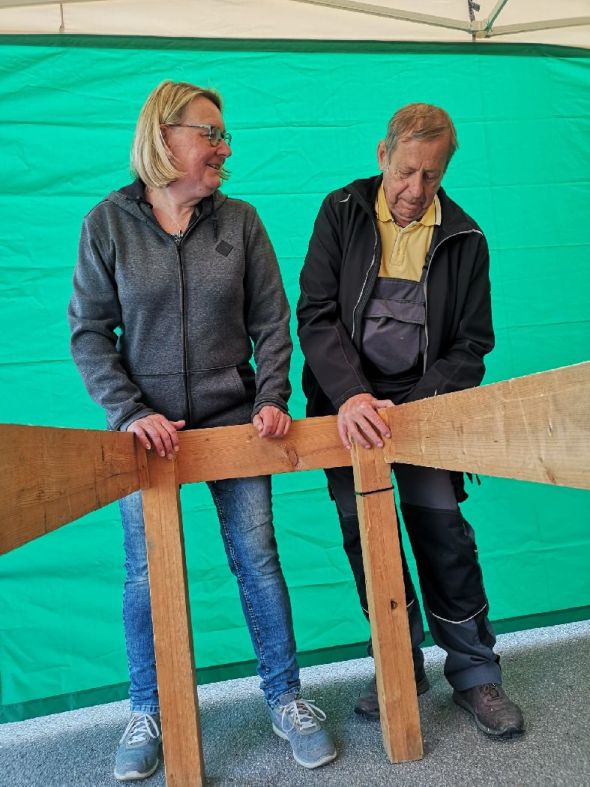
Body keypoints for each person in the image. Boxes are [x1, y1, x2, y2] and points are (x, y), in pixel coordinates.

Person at [68, 80, 336, 781]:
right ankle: (145, 708)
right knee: (144, 574)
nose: (224, 148)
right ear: (164, 137)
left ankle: (286, 697)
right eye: (210, 133)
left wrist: (271, 397)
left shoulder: (240, 221)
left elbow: (272, 321)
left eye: (223, 135)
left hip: (234, 421)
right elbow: (90, 334)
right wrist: (131, 412)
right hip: (142, 434)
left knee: (258, 558)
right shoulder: (106, 224)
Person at [297, 103, 524, 739]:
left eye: (431, 175)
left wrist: (418, 406)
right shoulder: (341, 211)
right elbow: (315, 314)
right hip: (347, 409)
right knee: (368, 542)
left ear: (444, 171)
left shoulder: (466, 238)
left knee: (444, 536)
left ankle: (475, 673)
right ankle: (399, 665)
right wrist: (353, 396)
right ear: (382, 156)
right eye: (404, 171)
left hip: (423, 409)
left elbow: (472, 344)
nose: (415, 190)